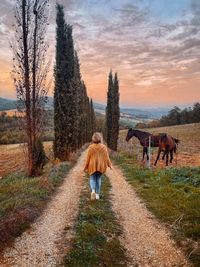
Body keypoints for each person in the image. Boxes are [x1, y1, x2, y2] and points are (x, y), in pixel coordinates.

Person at [84, 132, 112, 200]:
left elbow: (88, 158)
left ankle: (93, 190)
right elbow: (107, 157)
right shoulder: (104, 147)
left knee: (92, 179)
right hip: (101, 166)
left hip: (92, 166)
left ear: (93, 138)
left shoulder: (91, 147)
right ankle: (97, 195)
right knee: (98, 179)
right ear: (100, 138)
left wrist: (85, 166)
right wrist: (110, 165)